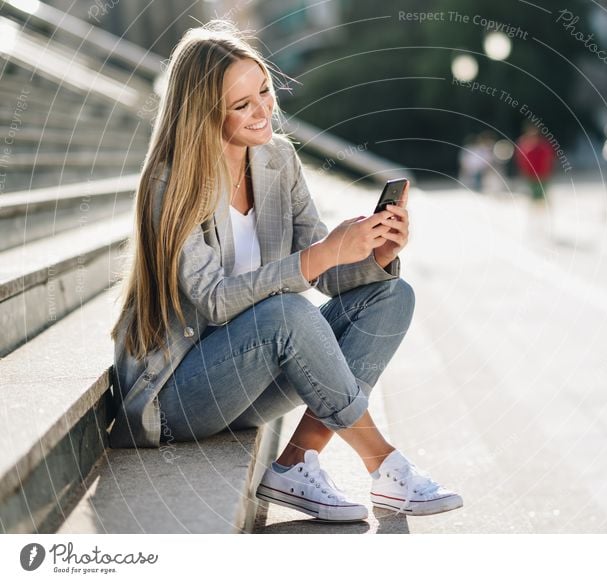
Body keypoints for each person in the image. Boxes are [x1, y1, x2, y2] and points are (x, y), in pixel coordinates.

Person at [108, 20, 462, 522]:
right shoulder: (172, 181)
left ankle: (296, 463)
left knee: (391, 295)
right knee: (287, 313)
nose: (264, 109)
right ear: (204, 114)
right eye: (242, 104)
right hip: (177, 396)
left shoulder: (277, 160)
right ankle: (384, 464)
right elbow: (213, 299)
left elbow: (322, 272)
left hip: (251, 377)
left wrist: (373, 253)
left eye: (265, 90)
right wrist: (321, 255)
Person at [515, 123, 555, 203]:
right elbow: (520, 159)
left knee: (542, 195)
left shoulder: (543, 145)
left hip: (542, 174)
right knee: (533, 195)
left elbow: (548, 159)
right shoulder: (523, 144)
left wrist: (548, 171)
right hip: (530, 174)